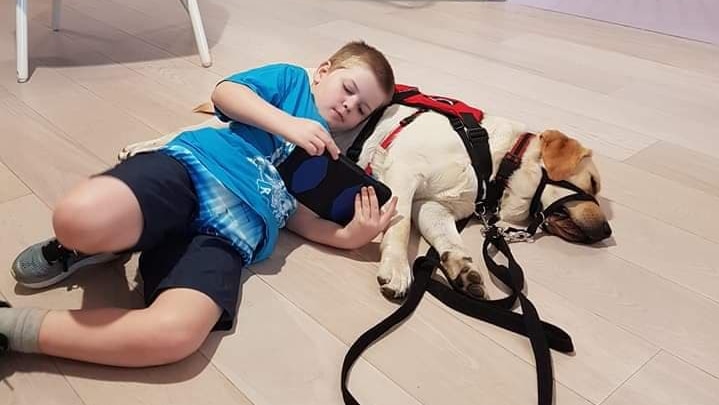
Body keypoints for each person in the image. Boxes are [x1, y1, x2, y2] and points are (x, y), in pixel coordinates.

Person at [0, 41, 397, 367]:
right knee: (76, 219)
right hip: (191, 172)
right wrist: (287, 124)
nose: (349, 106)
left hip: (229, 236)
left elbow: (302, 219)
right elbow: (225, 93)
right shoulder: (293, 83)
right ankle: (97, 243)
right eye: (348, 90)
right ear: (324, 70)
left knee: (177, 335)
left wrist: (349, 236)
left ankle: (12, 328)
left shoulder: (330, 156)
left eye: (362, 109)